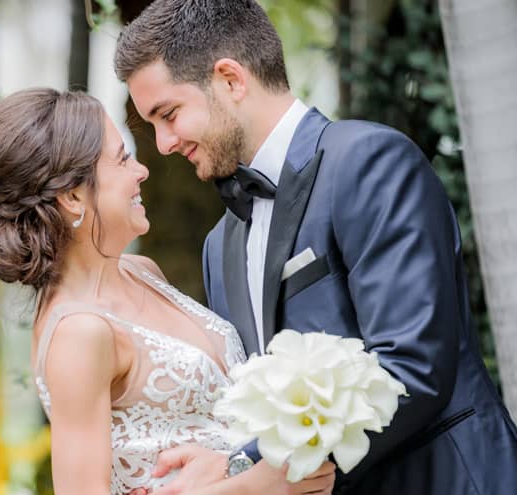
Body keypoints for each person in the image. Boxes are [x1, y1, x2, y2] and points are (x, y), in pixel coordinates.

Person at [114, 0, 517, 494]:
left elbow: (411, 367)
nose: (163, 144)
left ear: (231, 80)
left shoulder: (368, 163)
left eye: (168, 114)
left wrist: (247, 470)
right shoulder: (218, 248)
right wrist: (225, 459)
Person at [0, 87, 336, 495]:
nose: (141, 170)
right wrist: (253, 487)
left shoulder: (142, 272)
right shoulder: (79, 332)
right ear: (71, 196)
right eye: (121, 159)